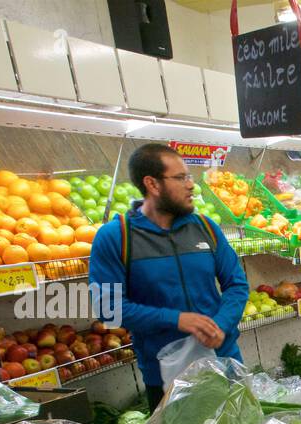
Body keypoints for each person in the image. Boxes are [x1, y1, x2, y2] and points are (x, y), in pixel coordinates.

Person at [89, 143, 249, 408]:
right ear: (152, 184)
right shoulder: (116, 238)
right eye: (180, 177)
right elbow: (109, 308)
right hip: (165, 376)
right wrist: (177, 320)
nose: (191, 186)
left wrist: (221, 323)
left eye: (189, 177)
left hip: (225, 363)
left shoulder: (206, 229)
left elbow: (237, 284)